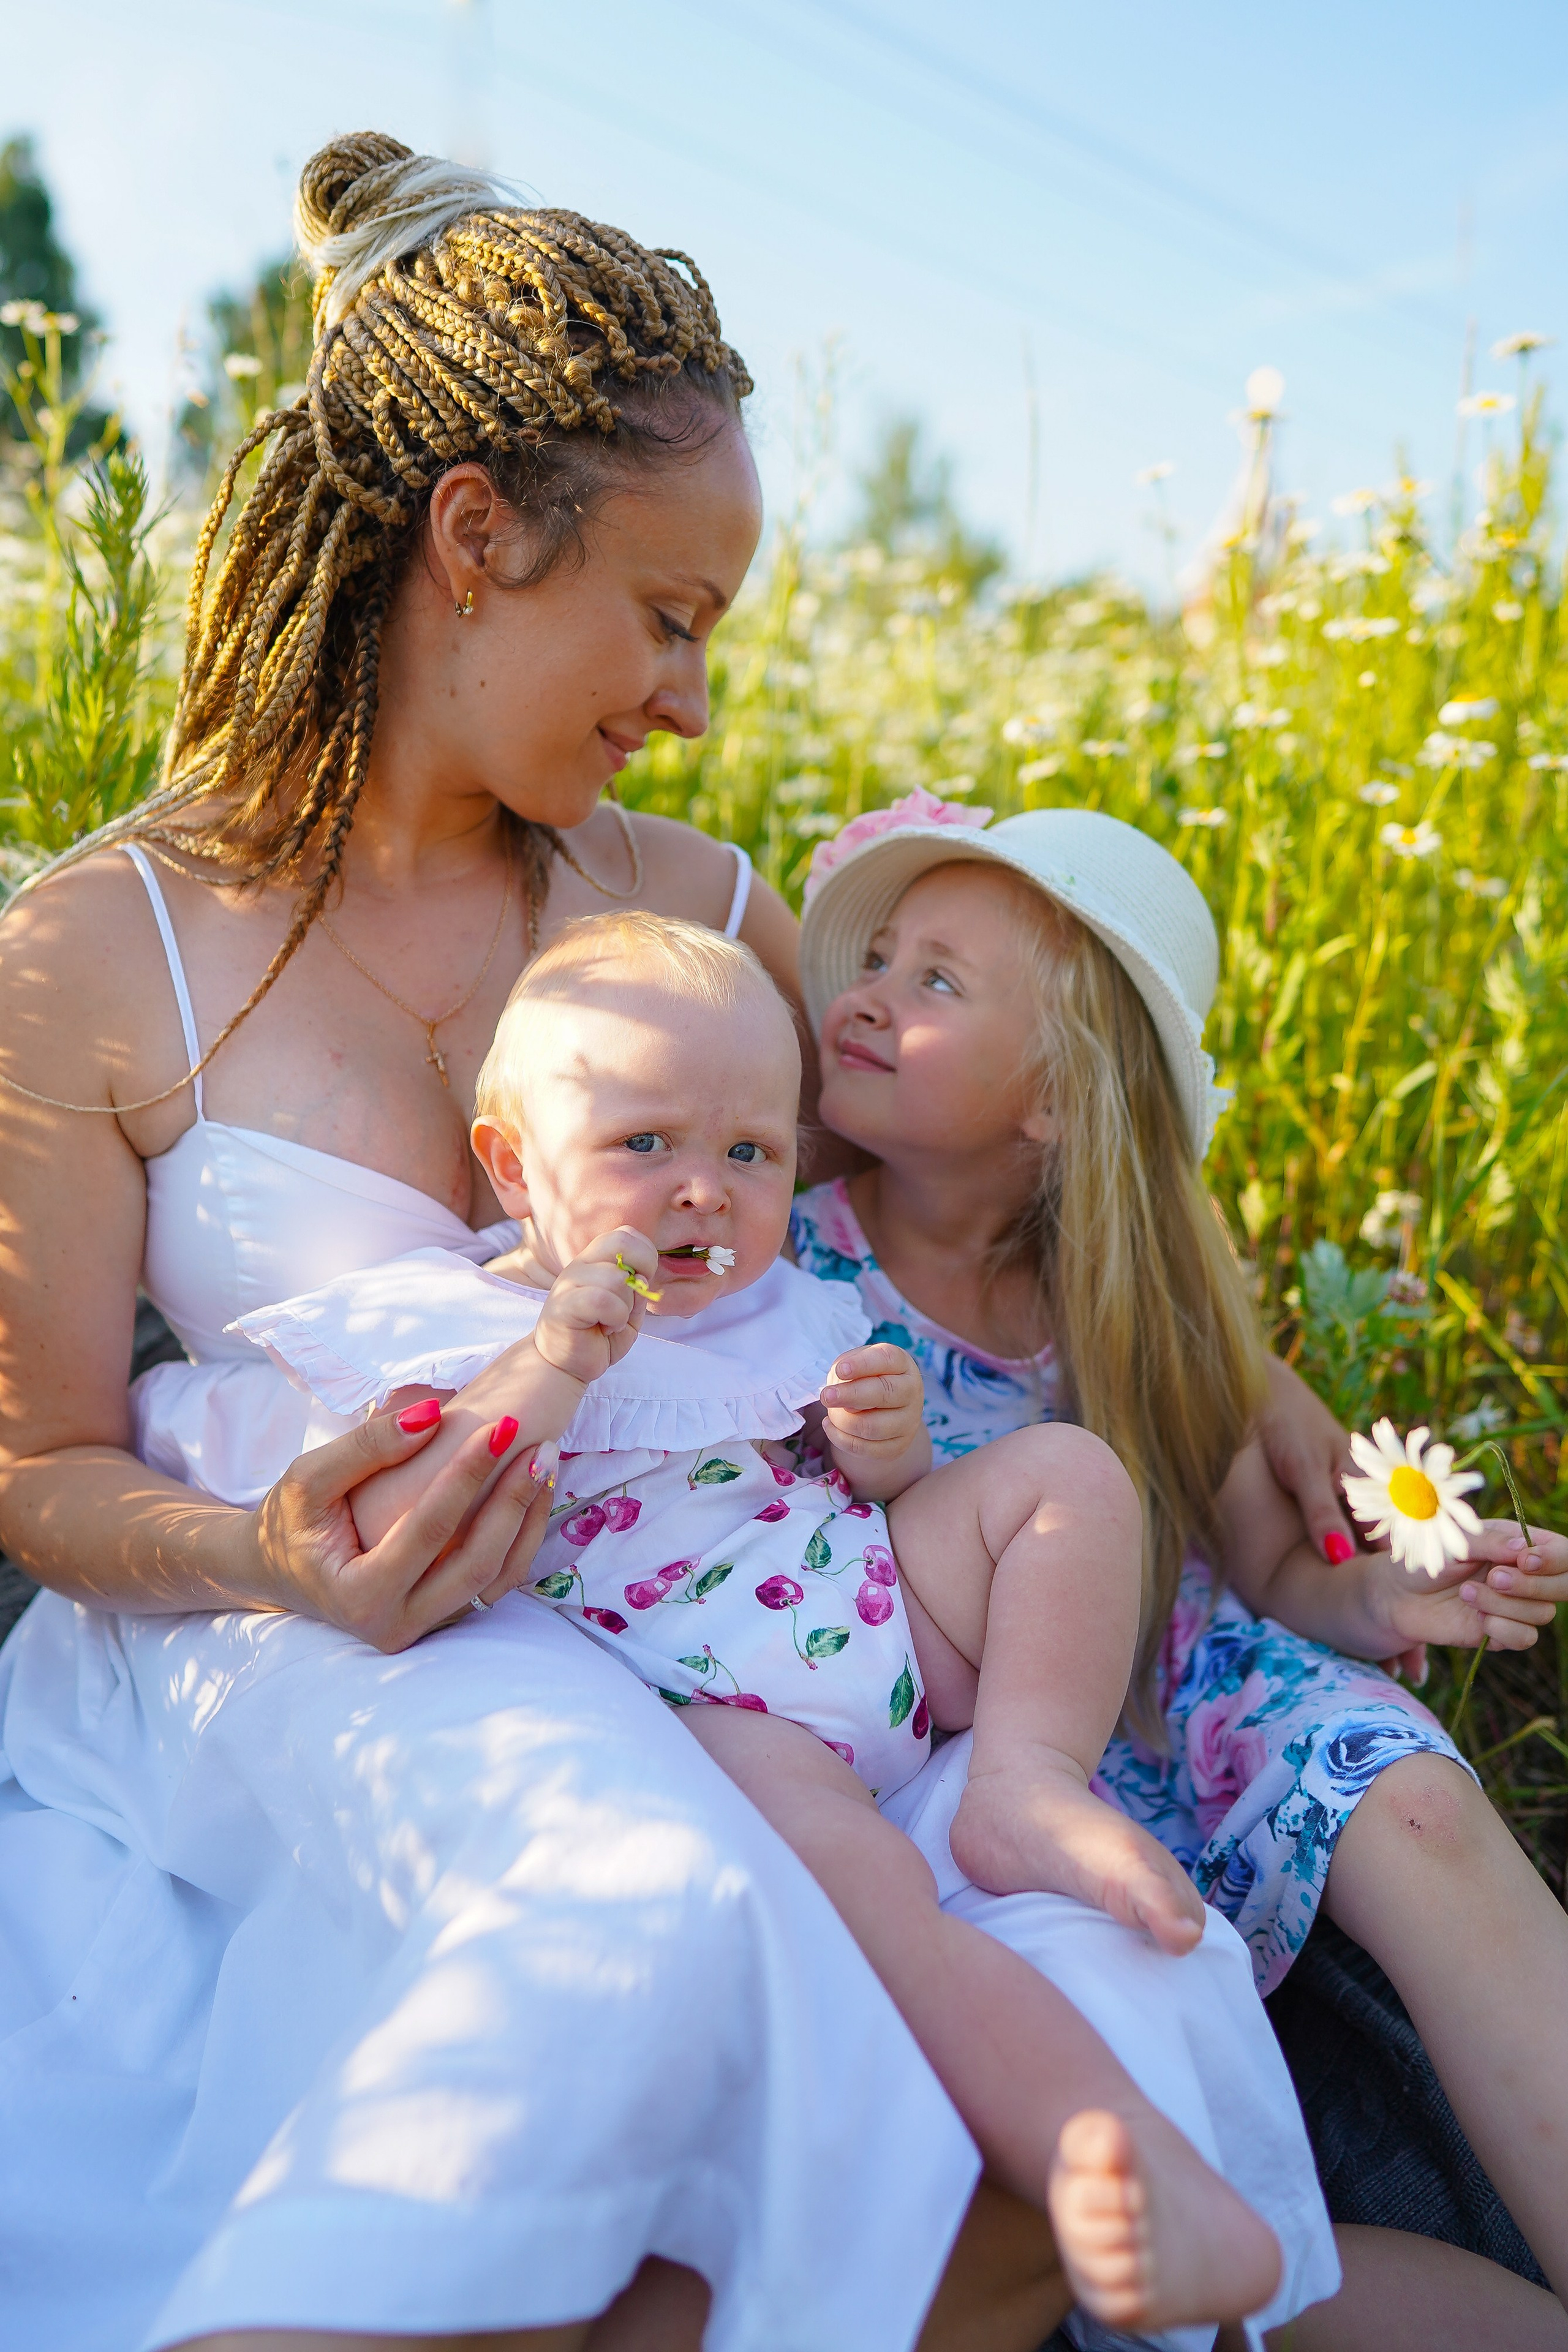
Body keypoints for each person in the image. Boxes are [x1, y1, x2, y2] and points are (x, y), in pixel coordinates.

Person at [0, 134, 1340, 2352]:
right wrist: (263, 1552)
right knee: (611, 1907)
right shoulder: (93, 948)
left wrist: (1247, 1369)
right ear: (473, 543)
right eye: (671, 616)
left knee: (1094, 1959)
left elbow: (981, 1168)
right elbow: (31, 1462)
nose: (698, 700)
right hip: (303, 1644)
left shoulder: (702, 910)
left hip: (711, 1622)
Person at [220, 906, 1297, 2340]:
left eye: (750, 1155)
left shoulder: (789, 1302)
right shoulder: (464, 1320)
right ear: (511, 1168)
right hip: (726, 1704)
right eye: (642, 1148)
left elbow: (855, 1483)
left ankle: (1025, 1781)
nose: (702, 1196)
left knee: (1063, 1479)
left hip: (874, 1601)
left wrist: (891, 1451)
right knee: (886, 1913)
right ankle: (1109, 2158)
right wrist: (549, 1368)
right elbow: (424, 1512)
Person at [789, 790, 1568, 2352]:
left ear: (1060, 1103)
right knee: (1133, 2109)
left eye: (937, 981)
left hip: (1176, 1682)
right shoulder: (780, 1258)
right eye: (873, 959)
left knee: (1406, 1794)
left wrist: (1380, 1599)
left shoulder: (1121, 1297)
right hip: (958, 1742)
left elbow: (1271, 1561)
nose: (868, 994)